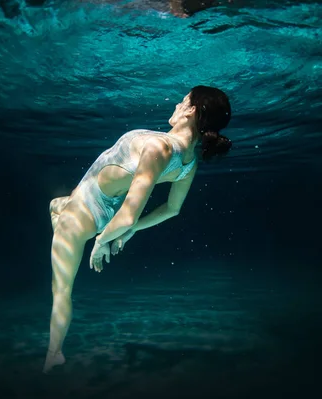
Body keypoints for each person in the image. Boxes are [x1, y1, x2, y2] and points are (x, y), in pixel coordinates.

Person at [43, 85, 233, 373]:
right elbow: (171, 209)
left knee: (61, 290)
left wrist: (102, 240)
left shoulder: (160, 147)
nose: (176, 105)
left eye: (182, 101)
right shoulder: (188, 162)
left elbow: (129, 216)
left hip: (87, 211)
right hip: (97, 207)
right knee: (55, 204)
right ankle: (61, 214)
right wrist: (126, 232)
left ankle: (53, 354)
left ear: (191, 110)